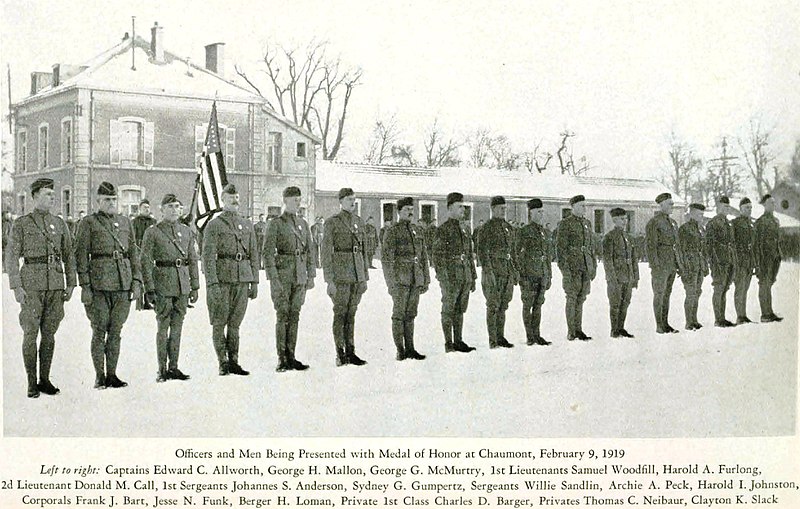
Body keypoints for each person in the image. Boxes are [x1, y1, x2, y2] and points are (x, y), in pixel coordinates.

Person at [8, 178, 76, 398]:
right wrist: (17, 286)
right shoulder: (22, 224)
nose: (52, 197)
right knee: (30, 333)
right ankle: (31, 382)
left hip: (55, 285)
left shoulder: (60, 223)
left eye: (53, 194)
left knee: (49, 334)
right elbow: (11, 258)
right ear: (35, 196)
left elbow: (69, 256)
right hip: (32, 286)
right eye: (47, 194)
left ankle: (44, 379)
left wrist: (71, 283)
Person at [74, 181, 142, 389]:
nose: (112, 203)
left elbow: (133, 253)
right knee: (99, 329)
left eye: (114, 200)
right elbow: (81, 256)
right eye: (107, 200)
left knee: (116, 331)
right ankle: (99, 375)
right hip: (99, 285)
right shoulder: (88, 223)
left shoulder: (125, 222)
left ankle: (112, 374)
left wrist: (137, 281)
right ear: (98, 201)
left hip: (123, 284)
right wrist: (85, 285)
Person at [140, 193, 200, 383]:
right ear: (162, 210)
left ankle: (174, 367)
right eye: (170, 207)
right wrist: (149, 289)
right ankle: (162, 369)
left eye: (177, 206)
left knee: (177, 328)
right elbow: (146, 261)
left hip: (182, 285)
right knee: (163, 327)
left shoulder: (186, 231)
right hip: (162, 284)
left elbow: (192, 260)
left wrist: (195, 286)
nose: (174, 210)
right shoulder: (153, 231)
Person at [201, 183, 259, 376]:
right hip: (222, 279)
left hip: (242, 279)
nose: (235, 201)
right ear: (222, 200)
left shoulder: (247, 224)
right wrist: (212, 283)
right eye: (230, 198)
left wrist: (255, 281)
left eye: (237, 198)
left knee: (235, 323)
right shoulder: (214, 225)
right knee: (219, 322)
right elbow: (208, 257)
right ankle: (222, 361)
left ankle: (234, 360)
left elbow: (254, 254)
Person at [262, 186, 316, 372]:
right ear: (285, 201)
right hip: (283, 276)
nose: (298, 203)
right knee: (282, 315)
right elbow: (267, 254)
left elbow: (310, 251)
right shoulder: (276, 223)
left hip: (300, 276)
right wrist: (273, 278)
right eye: (294, 200)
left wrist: (311, 276)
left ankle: (292, 356)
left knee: (295, 315)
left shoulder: (303, 224)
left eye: (299, 200)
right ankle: (282, 358)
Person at [322, 188, 369, 366]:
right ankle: (340, 352)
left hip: (356, 274)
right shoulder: (332, 223)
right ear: (340, 201)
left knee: (352, 314)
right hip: (341, 275)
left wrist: (364, 277)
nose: (352, 202)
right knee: (340, 313)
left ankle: (351, 351)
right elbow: (326, 253)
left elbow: (364, 252)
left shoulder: (359, 222)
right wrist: (329, 280)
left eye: (354, 199)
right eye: (349, 199)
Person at [381, 197, 430, 361]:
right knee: (399, 315)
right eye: (406, 210)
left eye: (411, 209)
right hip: (400, 280)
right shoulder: (392, 231)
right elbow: (387, 260)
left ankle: (411, 348)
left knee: (411, 314)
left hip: (416, 278)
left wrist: (426, 279)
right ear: (399, 212)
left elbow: (423, 256)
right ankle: (400, 350)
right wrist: (391, 283)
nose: (410, 212)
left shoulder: (417, 230)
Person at [432, 192, 477, 353]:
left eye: (463, 207)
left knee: (460, 309)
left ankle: (458, 340)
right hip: (450, 276)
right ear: (450, 208)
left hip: (464, 275)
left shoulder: (465, 229)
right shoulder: (443, 230)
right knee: (448, 309)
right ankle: (448, 343)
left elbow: (469, 253)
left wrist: (472, 276)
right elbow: (437, 257)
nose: (462, 210)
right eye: (459, 207)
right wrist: (443, 278)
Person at [477, 196, 517, 348]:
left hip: (506, 271)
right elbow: (482, 252)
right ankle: (492, 339)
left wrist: (515, 270)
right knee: (493, 305)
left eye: (505, 208)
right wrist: (488, 272)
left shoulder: (508, 227)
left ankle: (501, 337)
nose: (503, 211)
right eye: (501, 208)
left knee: (503, 305)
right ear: (493, 209)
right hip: (493, 272)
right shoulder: (486, 228)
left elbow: (512, 251)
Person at [556, 195, 597, 341]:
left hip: (585, 266)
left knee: (582, 297)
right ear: (573, 207)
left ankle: (579, 329)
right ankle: (571, 331)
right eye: (581, 206)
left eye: (585, 206)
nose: (584, 209)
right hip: (572, 267)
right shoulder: (565, 224)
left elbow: (591, 246)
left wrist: (593, 265)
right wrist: (565, 270)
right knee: (572, 297)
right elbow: (560, 250)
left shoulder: (587, 223)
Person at [515, 198, 552, 346]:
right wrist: (522, 274)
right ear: (531, 213)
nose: (541, 214)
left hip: (542, 273)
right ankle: (529, 336)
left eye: (542, 212)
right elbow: (518, 254)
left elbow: (547, 255)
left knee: (538, 305)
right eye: (538, 212)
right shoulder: (524, 231)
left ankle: (537, 335)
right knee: (527, 305)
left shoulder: (544, 232)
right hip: (529, 274)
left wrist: (548, 274)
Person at [645, 192, 680, 334]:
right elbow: (650, 246)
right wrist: (655, 265)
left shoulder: (672, 222)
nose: (672, 206)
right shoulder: (654, 222)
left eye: (672, 203)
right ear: (662, 205)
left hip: (671, 263)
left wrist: (678, 263)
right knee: (659, 294)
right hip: (660, 265)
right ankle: (659, 325)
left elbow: (676, 244)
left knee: (667, 294)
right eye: (669, 204)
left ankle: (665, 323)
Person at [603, 208, 639, 338]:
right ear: (614, 220)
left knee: (626, 302)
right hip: (616, 277)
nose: (625, 222)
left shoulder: (628, 237)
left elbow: (634, 259)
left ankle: (621, 327)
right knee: (615, 303)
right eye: (622, 219)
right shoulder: (609, 237)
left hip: (628, 276)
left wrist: (635, 277)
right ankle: (614, 330)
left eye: (626, 219)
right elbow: (608, 260)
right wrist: (612, 278)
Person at [706, 195, 736, 327]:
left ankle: (722, 318)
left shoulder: (728, 223)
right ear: (718, 207)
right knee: (719, 288)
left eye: (728, 207)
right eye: (724, 206)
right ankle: (718, 319)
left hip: (729, 259)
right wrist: (715, 262)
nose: (726, 209)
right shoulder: (713, 223)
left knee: (725, 289)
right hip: (719, 261)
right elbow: (710, 245)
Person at [677, 203, 709, 330]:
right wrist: (684, 267)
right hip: (690, 266)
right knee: (690, 293)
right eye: (699, 214)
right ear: (692, 214)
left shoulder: (701, 228)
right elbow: (681, 250)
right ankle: (688, 322)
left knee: (697, 293)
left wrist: (705, 265)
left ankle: (694, 319)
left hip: (699, 265)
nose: (701, 216)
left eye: (702, 214)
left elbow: (704, 249)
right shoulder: (685, 229)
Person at [754, 194, 783, 322]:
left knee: (769, 284)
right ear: (765, 205)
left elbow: (777, 240)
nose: (773, 205)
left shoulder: (776, 221)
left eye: (774, 203)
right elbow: (758, 243)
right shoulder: (760, 222)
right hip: (764, 258)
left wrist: (779, 254)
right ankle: (765, 314)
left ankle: (769, 312)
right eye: (770, 203)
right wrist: (758, 262)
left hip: (775, 257)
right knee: (764, 284)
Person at [731, 198, 756, 324]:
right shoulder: (735, 223)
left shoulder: (751, 223)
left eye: (751, 207)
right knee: (739, 288)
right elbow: (733, 243)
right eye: (747, 207)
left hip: (749, 261)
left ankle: (743, 315)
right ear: (740, 209)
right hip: (740, 261)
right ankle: (739, 316)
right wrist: (735, 261)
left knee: (745, 289)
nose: (749, 210)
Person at [132, 199, 157, 310]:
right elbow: (132, 237)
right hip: (138, 251)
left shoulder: (153, 222)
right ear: (139, 209)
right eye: (144, 207)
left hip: (150, 253)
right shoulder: (135, 222)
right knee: (139, 276)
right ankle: (139, 302)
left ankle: (148, 300)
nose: (146, 209)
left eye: (148, 207)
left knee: (149, 276)